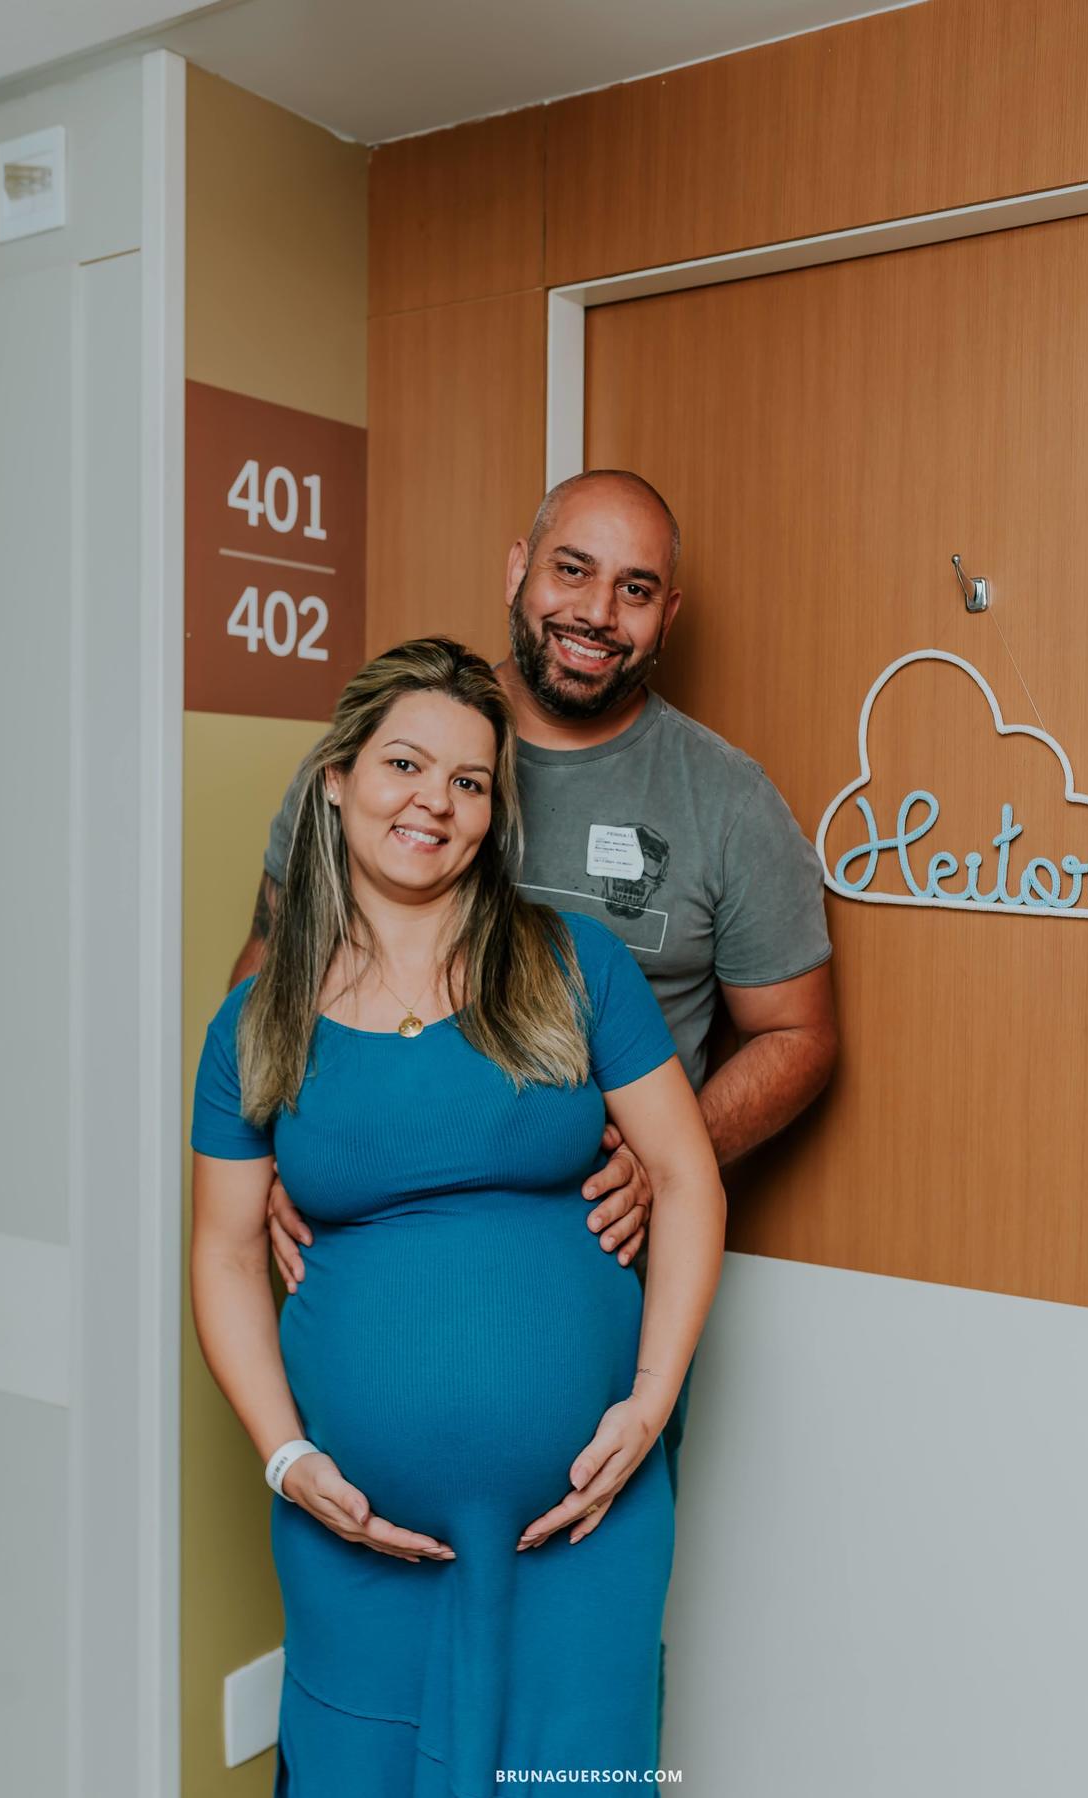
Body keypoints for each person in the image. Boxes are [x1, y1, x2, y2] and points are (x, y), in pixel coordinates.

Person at [237, 467, 839, 1735]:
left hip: (601, 1329)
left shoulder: (722, 801)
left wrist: (668, 1156)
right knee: (376, 1733)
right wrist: (290, 1144)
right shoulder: (388, 753)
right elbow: (271, 973)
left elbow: (798, 1037)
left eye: (634, 589)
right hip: (361, 1390)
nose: (595, 610)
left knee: (578, 1728)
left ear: (666, 616)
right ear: (521, 568)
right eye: (573, 569)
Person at [191, 638, 727, 1793]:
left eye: (470, 780)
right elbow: (227, 1253)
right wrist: (286, 1458)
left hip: (585, 1528)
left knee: (577, 1774)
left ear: (493, 812)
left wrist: (650, 1402)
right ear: (336, 780)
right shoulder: (256, 1022)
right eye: (405, 764)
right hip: (359, 1543)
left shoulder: (572, 965)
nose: (435, 799)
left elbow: (687, 1178)